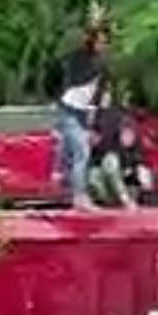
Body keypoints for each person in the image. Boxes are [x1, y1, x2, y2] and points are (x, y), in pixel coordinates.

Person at [55, 17, 110, 210]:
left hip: (82, 112)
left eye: (105, 43)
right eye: (100, 42)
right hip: (68, 109)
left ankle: (71, 190)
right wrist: (95, 23)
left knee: (75, 152)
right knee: (82, 151)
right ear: (91, 42)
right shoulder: (79, 59)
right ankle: (79, 196)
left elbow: (98, 95)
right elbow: (68, 71)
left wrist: (93, 122)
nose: (103, 46)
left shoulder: (103, 65)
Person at [89, 95, 147, 208]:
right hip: (103, 168)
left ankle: (124, 198)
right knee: (93, 177)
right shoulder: (101, 141)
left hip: (121, 167)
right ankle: (109, 201)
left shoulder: (128, 134)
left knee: (111, 162)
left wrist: (138, 167)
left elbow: (137, 156)